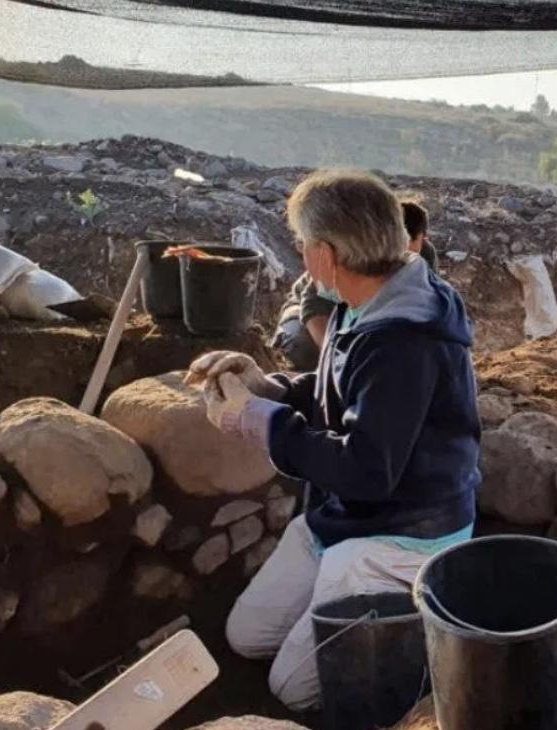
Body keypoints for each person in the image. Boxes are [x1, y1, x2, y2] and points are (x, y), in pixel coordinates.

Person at [186, 170, 480, 711]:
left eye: (302, 245)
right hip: (349, 517)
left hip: (403, 535)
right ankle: (341, 614)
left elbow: (368, 470)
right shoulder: (365, 299)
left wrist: (261, 421)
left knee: (291, 690)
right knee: (245, 637)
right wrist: (265, 385)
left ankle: (419, 635)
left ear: (324, 254)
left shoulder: (404, 340)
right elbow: (341, 395)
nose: (300, 255)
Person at [270, 199, 438, 370]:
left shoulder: (424, 259)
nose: (398, 255)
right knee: (304, 349)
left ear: (422, 240)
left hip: (362, 313)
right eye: (395, 246)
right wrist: (336, 360)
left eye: (406, 247)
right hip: (311, 308)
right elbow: (314, 304)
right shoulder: (355, 252)